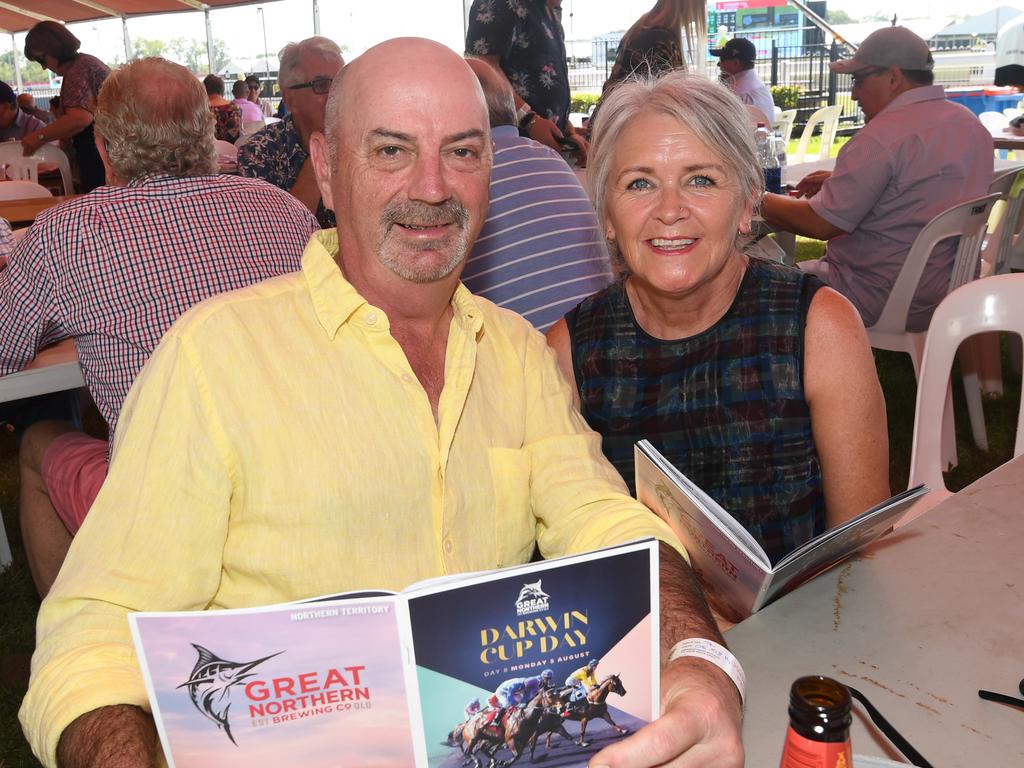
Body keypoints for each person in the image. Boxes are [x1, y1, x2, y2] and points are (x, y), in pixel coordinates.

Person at [20, 39, 743, 768]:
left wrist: (698, 655)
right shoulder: (215, 359)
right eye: (392, 151)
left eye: (461, 152)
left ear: (491, 169)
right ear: (328, 169)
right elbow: (93, 636)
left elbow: (607, 523)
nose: (431, 187)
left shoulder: (518, 352)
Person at [1, 57, 319, 598]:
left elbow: (5, 351)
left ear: (102, 148)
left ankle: (77, 643)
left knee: (36, 441)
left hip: (166, 513)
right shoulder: (285, 211)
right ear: (207, 137)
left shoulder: (67, 234)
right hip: (298, 483)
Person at [546, 72, 890, 567]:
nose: (669, 211)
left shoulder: (818, 328)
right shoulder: (572, 350)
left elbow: (862, 553)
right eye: (639, 183)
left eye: (700, 180)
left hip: (806, 628)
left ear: (749, 202)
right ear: (605, 215)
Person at [761, 26, 993, 332]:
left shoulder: (880, 138)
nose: (854, 93)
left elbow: (819, 224)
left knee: (751, 277)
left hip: (873, 294)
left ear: (894, 78)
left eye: (858, 80)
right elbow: (928, 182)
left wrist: (755, 197)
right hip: (949, 290)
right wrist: (841, 179)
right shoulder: (968, 123)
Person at [462, 57, 611, 331]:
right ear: (511, 108)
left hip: (528, 357)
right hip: (602, 334)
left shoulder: (464, 178)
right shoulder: (550, 158)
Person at [237, 36, 344, 228]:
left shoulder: (365, 141)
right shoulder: (259, 150)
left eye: (342, 83)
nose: (338, 95)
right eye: (322, 85)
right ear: (290, 98)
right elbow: (277, 232)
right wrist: (321, 153)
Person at [466, 0, 588, 163]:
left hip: (539, 145)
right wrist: (528, 119)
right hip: (509, 148)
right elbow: (480, 67)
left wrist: (567, 130)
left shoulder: (548, 9)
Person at [22, 21, 110, 192]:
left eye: (42, 59)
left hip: (99, 156)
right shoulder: (84, 64)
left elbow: (80, 119)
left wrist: (38, 137)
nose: (43, 66)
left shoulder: (78, 70)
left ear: (54, 48)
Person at [710, 37, 775, 125]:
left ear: (735, 63)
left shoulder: (735, 93)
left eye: (722, 60)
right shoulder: (759, 87)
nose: (719, 64)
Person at [202, 73, 241, 143]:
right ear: (222, 90)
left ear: (204, 90)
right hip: (231, 150)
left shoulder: (202, 109)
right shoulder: (235, 108)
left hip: (207, 150)